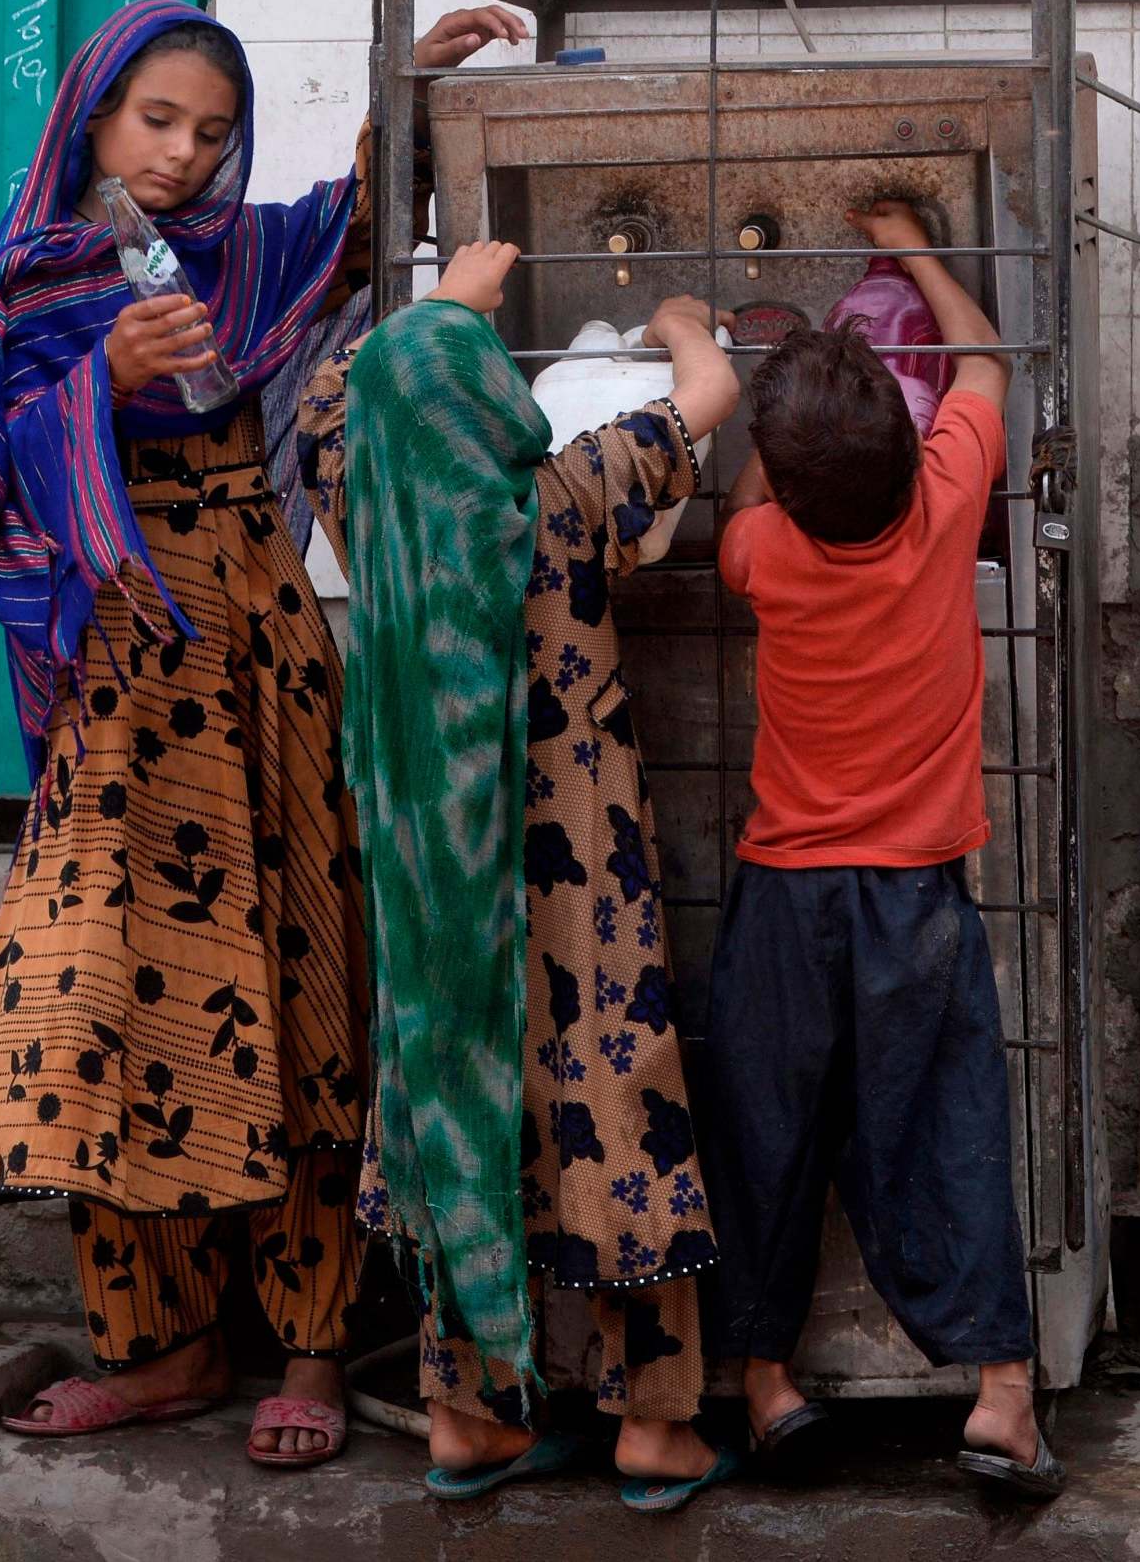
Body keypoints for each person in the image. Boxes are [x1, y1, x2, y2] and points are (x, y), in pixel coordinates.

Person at [0, 0, 526, 1467]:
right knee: (107, 1003)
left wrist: (405, 85)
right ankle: (162, 1346)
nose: (188, 157)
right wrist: (101, 384)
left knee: (303, 974)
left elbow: (360, 228)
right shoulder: (23, 285)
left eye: (212, 129)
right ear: (91, 122)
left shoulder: (246, 256)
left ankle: (308, 1347)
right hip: (124, 679)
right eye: (157, 123)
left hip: (261, 646)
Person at [302, 244, 740, 1513]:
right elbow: (703, 395)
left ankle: (468, 1418)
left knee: (454, 1108)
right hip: (577, 880)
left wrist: (444, 304)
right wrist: (673, 317)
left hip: (437, 896)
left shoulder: (368, 505)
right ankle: (653, 1426)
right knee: (614, 1109)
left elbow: (340, 393)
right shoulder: (557, 494)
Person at [702, 200, 1063, 1500]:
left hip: (785, 896)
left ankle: (762, 1383)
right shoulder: (945, 504)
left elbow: (754, 502)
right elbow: (981, 363)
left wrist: (761, 433)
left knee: (766, 1129)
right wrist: (912, 246)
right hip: (915, 897)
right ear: (912, 456)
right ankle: (1003, 1399)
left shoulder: (762, 552)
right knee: (943, 1123)